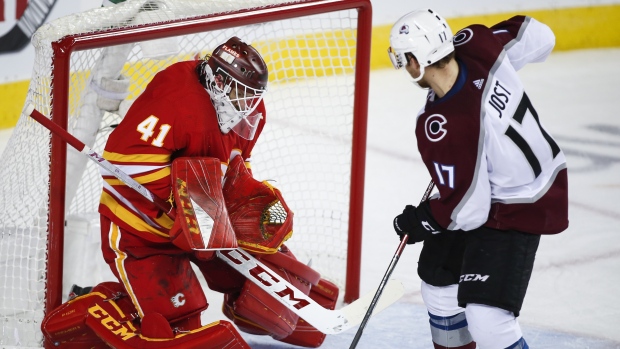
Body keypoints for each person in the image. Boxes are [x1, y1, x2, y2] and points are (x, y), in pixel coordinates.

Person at [41, 36, 337, 348]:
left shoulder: (250, 111)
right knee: (178, 319)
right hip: (142, 232)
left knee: (260, 283)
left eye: (251, 95)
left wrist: (245, 201)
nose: (247, 103)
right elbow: (124, 166)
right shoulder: (174, 100)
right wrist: (182, 207)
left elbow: (234, 166)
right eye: (240, 92)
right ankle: (93, 305)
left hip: (205, 220)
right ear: (218, 80)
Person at [388, 9, 568, 349]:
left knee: (488, 319)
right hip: (490, 185)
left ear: (415, 61)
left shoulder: (439, 124)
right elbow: (541, 37)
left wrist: (423, 220)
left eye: (402, 59)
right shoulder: (478, 43)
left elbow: (470, 210)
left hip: (521, 201)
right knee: (439, 287)